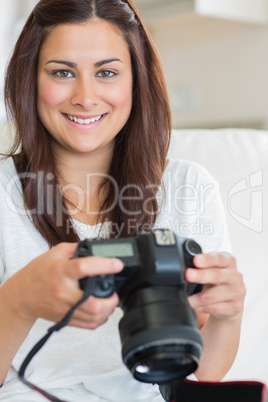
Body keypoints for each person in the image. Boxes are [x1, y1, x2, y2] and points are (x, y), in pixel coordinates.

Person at [0, 0, 246, 401]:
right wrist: (20, 300)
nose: (85, 96)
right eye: (62, 72)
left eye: (107, 72)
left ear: (136, 81)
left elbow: (206, 373)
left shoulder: (188, 187)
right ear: (29, 80)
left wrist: (227, 315)